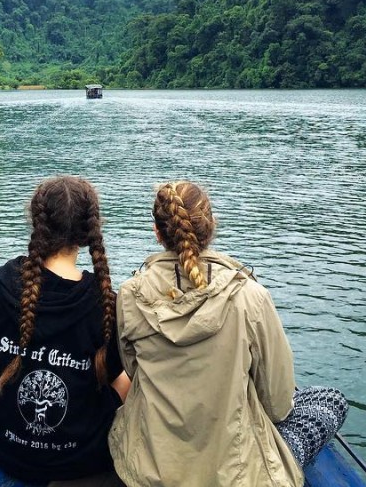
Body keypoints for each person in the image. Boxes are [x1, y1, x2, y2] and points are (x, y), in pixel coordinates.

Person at [109, 181, 347, 487]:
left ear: (157, 232)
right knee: (329, 400)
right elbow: (277, 404)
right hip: (234, 474)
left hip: (150, 467)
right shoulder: (250, 297)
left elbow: (133, 371)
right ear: (210, 227)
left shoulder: (130, 295)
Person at [0, 176, 130, 486]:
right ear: (88, 231)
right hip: (81, 460)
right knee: (129, 370)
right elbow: (114, 375)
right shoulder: (104, 302)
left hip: (9, 454)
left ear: (37, 221)